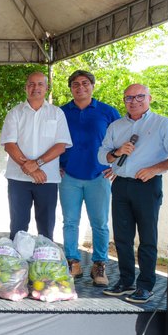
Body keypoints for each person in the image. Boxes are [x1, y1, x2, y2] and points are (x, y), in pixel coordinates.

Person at [99, 84, 168, 304]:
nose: (134, 101)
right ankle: (125, 281)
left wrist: (155, 169)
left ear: (149, 97)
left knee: (147, 238)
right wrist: (117, 152)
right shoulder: (116, 125)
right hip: (120, 185)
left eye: (139, 96)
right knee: (122, 238)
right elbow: (102, 156)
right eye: (129, 97)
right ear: (124, 100)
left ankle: (145, 286)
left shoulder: (162, 124)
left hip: (147, 186)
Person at [59, 70, 121, 286]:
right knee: (70, 223)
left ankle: (99, 265)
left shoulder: (107, 111)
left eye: (85, 83)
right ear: (71, 88)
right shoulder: (61, 112)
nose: (80, 87)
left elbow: (123, 139)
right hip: (69, 177)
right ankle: (72, 262)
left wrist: (116, 165)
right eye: (75, 84)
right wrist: (56, 164)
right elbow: (52, 141)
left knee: (100, 224)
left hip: (99, 176)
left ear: (93, 86)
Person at [1, 72, 72, 240]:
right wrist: (32, 170)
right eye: (31, 84)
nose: (36, 88)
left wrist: (37, 164)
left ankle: (45, 264)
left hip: (47, 179)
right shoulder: (15, 112)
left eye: (40, 84)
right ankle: (17, 265)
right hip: (18, 179)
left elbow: (61, 145)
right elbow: (10, 145)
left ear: (47, 88)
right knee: (18, 228)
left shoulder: (57, 113)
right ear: (26, 88)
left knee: (46, 228)